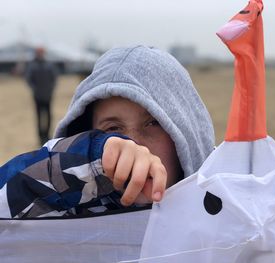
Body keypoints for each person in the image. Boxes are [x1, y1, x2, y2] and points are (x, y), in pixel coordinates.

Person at [0, 45, 215, 218]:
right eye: (112, 129)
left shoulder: (227, 206)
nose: (132, 144)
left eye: (152, 123)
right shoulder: (69, 213)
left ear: (186, 131)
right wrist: (85, 162)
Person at [26, 47, 58, 145]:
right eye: (39, 52)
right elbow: (29, 79)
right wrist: (35, 89)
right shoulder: (32, 66)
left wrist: (50, 89)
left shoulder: (49, 65)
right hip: (37, 96)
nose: (40, 54)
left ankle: (47, 135)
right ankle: (41, 137)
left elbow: (54, 78)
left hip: (48, 95)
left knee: (48, 116)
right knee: (39, 116)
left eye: (42, 52)